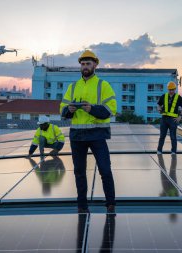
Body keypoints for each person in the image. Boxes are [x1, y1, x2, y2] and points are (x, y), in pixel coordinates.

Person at [60, 50, 117, 214]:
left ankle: (111, 204)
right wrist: (69, 110)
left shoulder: (103, 86)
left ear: (95, 65)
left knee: (105, 170)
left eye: (88, 63)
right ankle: (82, 206)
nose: (85, 66)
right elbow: (62, 110)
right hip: (77, 136)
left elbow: (110, 110)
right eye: (83, 64)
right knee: (79, 172)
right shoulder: (73, 87)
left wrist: (91, 109)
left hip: (97, 135)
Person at [157, 81, 182, 155]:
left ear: (175, 89)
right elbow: (158, 105)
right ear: (168, 89)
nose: (171, 91)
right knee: (162, 136)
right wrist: (159, 109)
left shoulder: (178, 97)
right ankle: (159, 151)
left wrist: (180, 116)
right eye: (170, 90)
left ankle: (173, 151)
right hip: (164, 118)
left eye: (172, 89)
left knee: (173, 136)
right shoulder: (164, 96)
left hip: (173, 120)